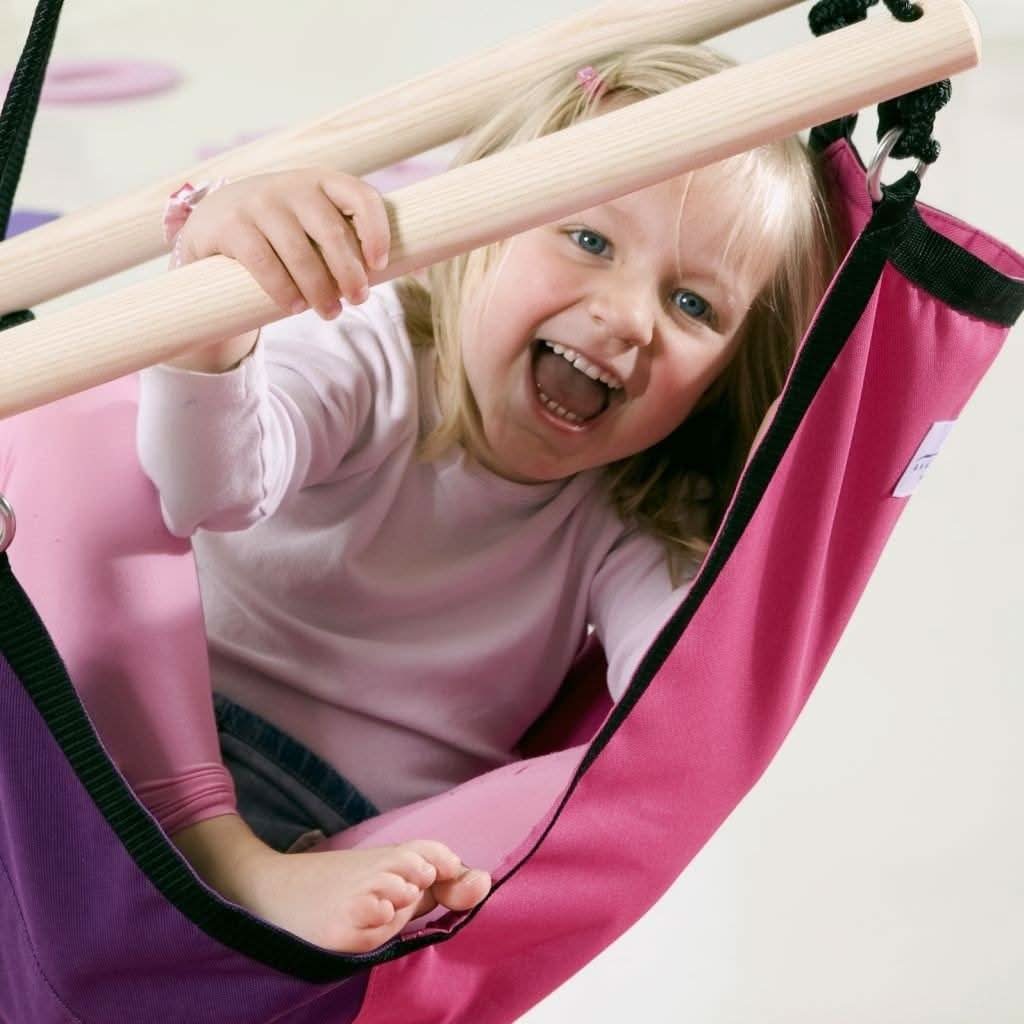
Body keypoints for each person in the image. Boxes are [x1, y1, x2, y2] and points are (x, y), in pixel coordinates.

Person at [133, 42, 838, 955]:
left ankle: (257, 874)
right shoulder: (370, 346)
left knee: (576, 798)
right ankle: (232, 866)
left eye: (694, 307)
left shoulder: (623, 517)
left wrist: (793, 470)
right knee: (80, 489)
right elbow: (205, 489)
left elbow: (682, 711)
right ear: (487, 228)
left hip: (351, 836)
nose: (628, 318)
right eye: (589, 240)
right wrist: (216, 311)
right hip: (151, 742)